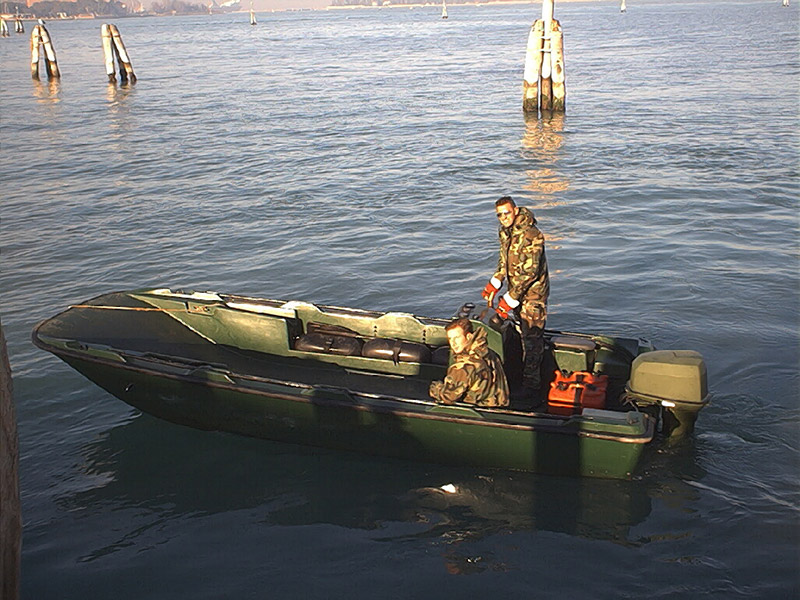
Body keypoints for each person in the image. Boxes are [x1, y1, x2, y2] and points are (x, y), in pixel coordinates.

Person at [481, 196, 549, 398]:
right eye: (499, 215)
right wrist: (496, 281)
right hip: (516, 292)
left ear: (516, 210)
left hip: (533, 294)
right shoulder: (505, 232)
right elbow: (504, 261)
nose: (503, 218)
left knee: (532, 338)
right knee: (520, 332)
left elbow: (531, 272)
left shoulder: (532, 235)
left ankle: (532, 387)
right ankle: (522, 374)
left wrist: (510, 299)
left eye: (507, 213)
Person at [428, 318, 509, 407]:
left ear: (469, 337)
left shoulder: (463, 367)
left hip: (477, 411)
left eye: (457, 338)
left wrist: (435, 388)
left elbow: (448, 397)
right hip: (497, 404)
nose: (453, 343)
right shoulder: (488, 352)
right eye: (450, 339)